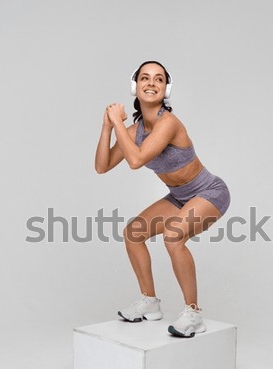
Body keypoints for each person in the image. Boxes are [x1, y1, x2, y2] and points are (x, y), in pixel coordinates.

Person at [94, 60, 230, 338]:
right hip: (179, 197)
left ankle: (193, 313)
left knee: (173, 237)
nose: (151, 83)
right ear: (136, 87)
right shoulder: (135, 131)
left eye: (158, 79)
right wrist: (108, 126)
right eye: (145, 78)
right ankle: (150, 302)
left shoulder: (169, 124)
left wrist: (119, 123)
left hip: (209, 192)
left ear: (166, 89)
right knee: (133, 233)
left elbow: (136, 160)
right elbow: (102, 166)